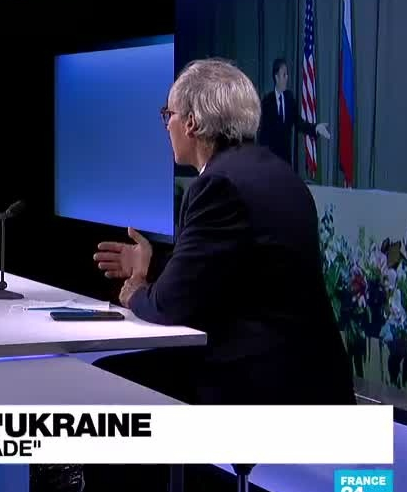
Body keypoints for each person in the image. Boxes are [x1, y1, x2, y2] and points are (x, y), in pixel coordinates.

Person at [93, 58, 354, 405]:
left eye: (168, 114)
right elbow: (222, 270)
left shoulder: (218, 185)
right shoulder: (279, 173)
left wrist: (136, 291)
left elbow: (169, 306)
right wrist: (152, 264)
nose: (166, 125)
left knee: (105, 380)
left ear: (191, 123)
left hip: (262, 384)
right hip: (315, 377)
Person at [257, 58, 331, 175]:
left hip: (286, 162)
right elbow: (263, 135)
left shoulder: (290, 99)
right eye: (284, 75)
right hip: (270, 162)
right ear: (276, 77)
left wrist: (315, 128)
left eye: (287, 74)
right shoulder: (267, 102)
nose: (287, 78)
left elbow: (299, 122)